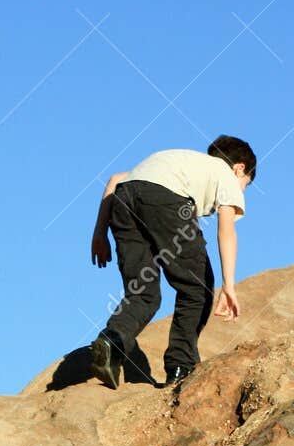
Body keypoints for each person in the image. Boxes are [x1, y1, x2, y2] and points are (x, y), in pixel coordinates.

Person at [88, 135, 257, 389]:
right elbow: (226, 230)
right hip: (167, 201)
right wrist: (228, 286)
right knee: (197, 289)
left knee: (143, 294)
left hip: (124, 200)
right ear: (240, 168)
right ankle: (181, 366)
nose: (241, 191)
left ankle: (111, 341)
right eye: (245, 184)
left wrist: (99, 233)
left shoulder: (187, 162)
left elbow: (115, 180)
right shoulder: (225, 173)